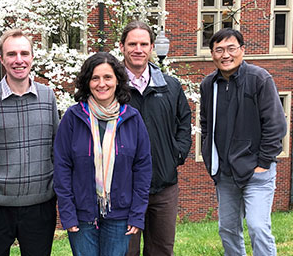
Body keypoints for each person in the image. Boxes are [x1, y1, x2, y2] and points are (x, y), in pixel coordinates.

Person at [54, 52, 152, 256]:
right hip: (82, 216)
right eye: (95, 78)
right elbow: (62, 167)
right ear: (87, 82)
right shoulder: (73, 118)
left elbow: (142, 169)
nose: (101, 84)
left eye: (107, 77)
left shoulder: (132, 119)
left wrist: (137, 214)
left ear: (117, 80)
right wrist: (68, 213)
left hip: (120, 215)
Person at [200, 28, 286, 256]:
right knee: (227, 229)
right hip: (225, 175)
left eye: (231, 48)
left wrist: (263, 163)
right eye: (219, 50)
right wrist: (212, 160)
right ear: (212, 54)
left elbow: (276, 125)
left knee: (258, 227)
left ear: (242, 50)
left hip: (256, 173)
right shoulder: (209, 85)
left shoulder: (259, 79)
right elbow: (205, 124)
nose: (225, 55)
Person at [0, 29, 59, 256]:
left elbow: (56, 147)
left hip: (40, 205)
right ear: (2, 60)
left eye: (24, 53)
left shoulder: (47, 96)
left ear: (32, 57)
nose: (19, 60)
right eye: (11, 54)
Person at [121, 21, 192, 256]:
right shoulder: (111, 86)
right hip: (124, 188)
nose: (138, 49)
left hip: (164, 185)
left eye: (144, 44)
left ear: (152, 47)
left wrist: (177, 154)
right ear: (122, 47)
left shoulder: (170, 86)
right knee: (125, 251)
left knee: (161, 249)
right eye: (132, 44)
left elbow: (184, 121)